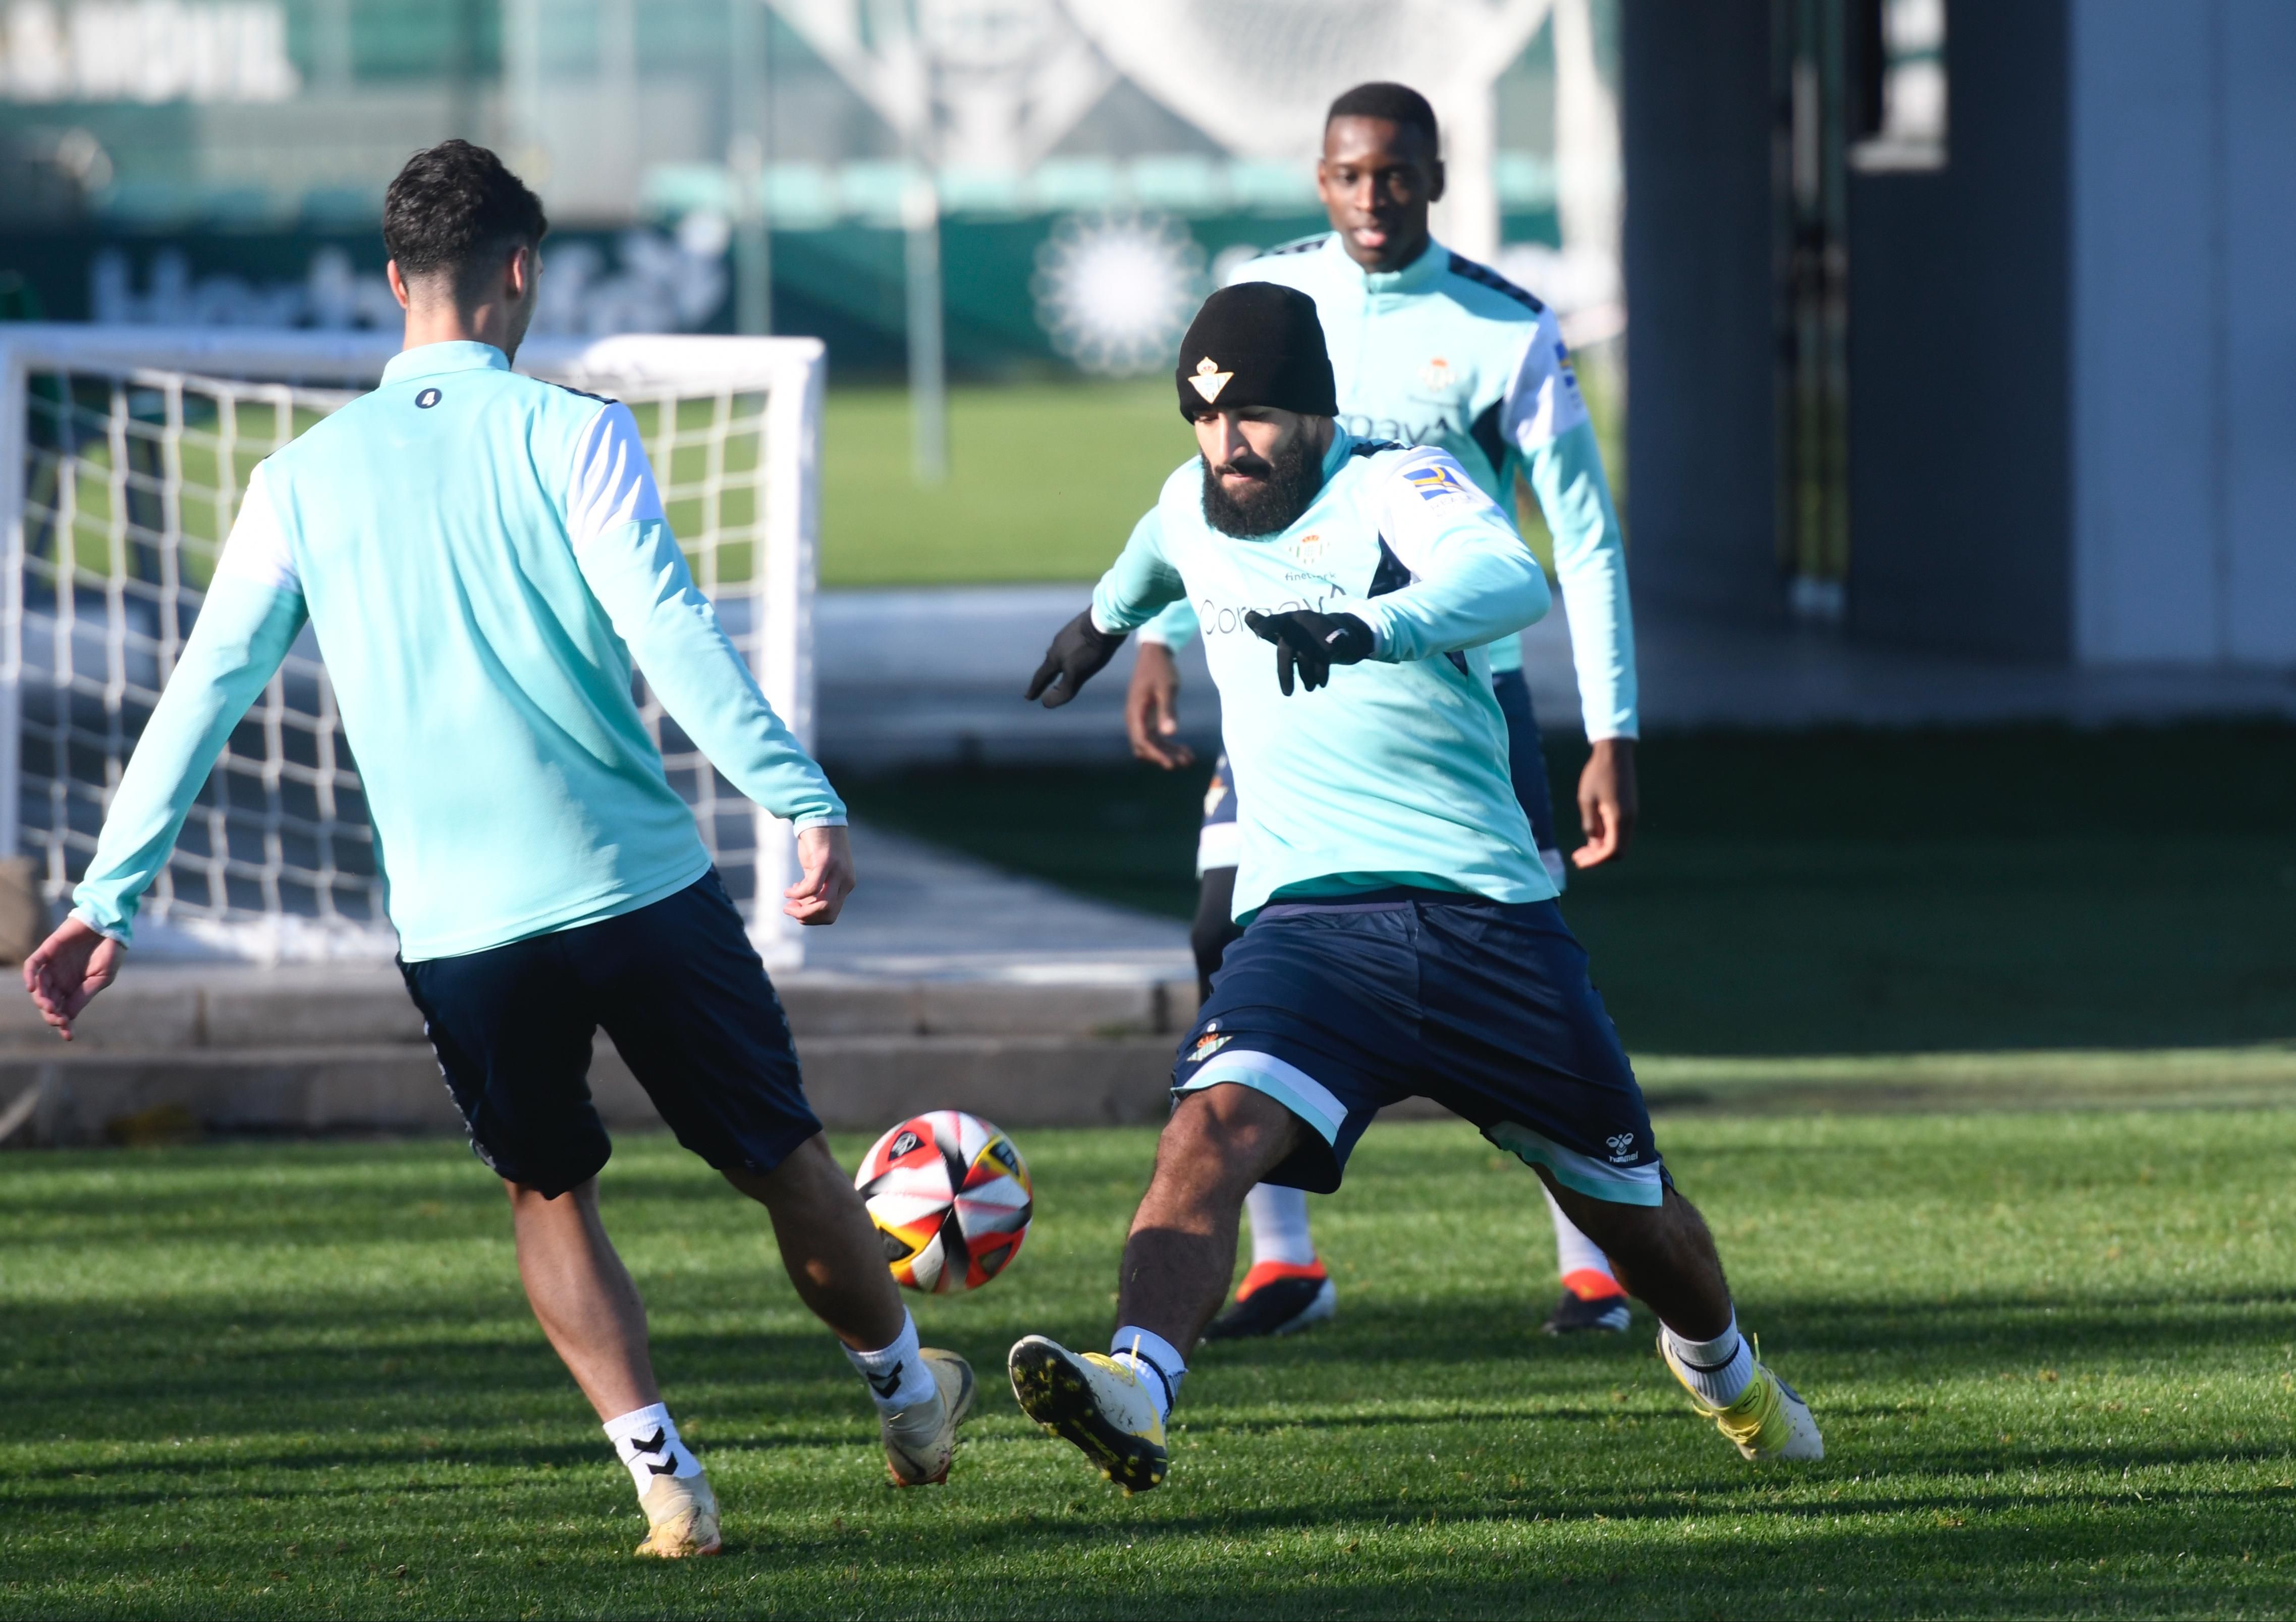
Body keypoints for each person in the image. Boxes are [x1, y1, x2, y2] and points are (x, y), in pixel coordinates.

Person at [18, 140, 974, 1559]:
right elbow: (669, 627)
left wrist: (110, 897)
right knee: (781, 1159)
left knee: (547, 1190)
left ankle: (667, 1482)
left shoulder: (296, 477)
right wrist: (796, 796)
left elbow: (202, 691)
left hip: (458, 923)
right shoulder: (572, 431)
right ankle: (908, 1398)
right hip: (635, 885)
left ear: (393, 281)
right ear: (521, 270)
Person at [1015, 281, 1819, 1493]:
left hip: (1480, 917)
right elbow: (1152, 554)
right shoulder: (1192, 500)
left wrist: (1371, 626)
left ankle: (1730, 1376)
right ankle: (1138, 1383)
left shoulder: (1399, 483)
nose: (1230, 446)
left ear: (1317, 408)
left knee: (1634, 1216)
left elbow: (1509, 578)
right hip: (1306, 926)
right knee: (1205, 1129)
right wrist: (1099, 624)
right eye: (1205, 419)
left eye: (1256, 416)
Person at [1124, 81, 1640, 1342]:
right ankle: (1285, 1263)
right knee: (1225, 931)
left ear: (1435, 180)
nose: (1372, 197)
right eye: (1350, 175)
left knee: (1517, 968)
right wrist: (1156, 634)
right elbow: (1216, 488)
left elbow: (1580, 538)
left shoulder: (1504, 328)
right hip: (1282, 686)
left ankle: (1592, 1263)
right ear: (1321, 179)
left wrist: (1611, 726)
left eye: (1395, 175)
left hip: (1459, 699)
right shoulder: (1271, 294)